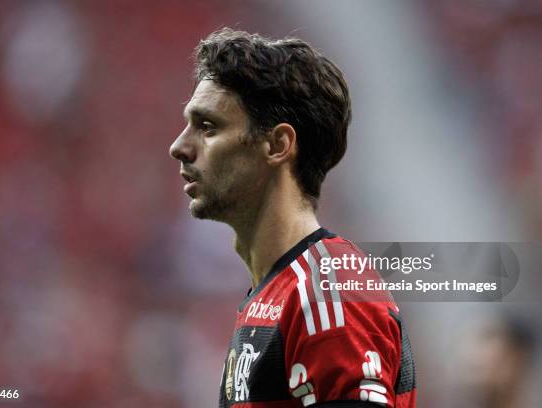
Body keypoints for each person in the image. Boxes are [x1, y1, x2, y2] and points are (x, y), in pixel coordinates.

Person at [169, 28, 416, 408]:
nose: (180, 147)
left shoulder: (327, 288)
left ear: (277, 145)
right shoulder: (277, 292)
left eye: (207, 127)